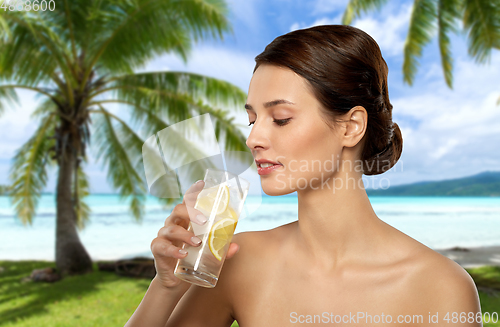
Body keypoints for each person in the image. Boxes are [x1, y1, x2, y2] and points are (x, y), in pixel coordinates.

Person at [125, 25, 482, 327]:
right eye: (252, 120)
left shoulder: (440, 288)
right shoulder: (239, 262)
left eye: (280, 118)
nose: (253, 139)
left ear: (351, 126)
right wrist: (166, 286)